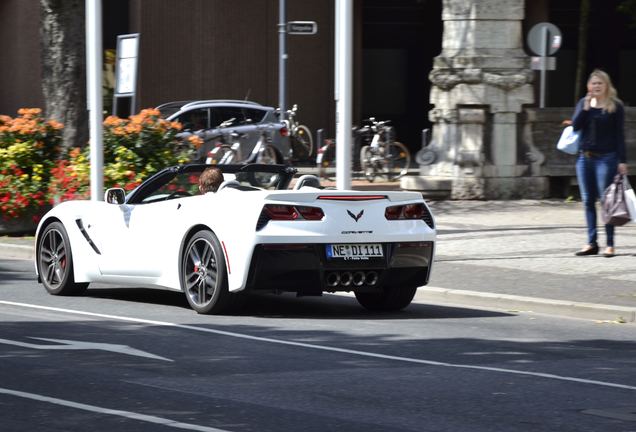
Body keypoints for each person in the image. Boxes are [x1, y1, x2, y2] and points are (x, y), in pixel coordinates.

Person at [572, 69, 627, 258]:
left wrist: (622, 160)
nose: (596, 86)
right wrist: (586, 108)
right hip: (585, 157)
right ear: (588, 86)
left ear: (606, 86)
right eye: (593, 83)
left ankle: (610, 244)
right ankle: (591, 242)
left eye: (599, 83)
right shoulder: (583, 103)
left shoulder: (615, 106)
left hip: (607, 158)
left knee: (606, 201)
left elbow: (620, 135)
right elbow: (576, 126)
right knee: (588, 201)